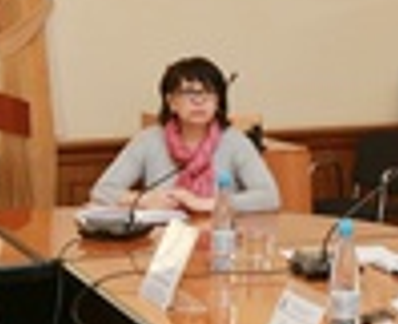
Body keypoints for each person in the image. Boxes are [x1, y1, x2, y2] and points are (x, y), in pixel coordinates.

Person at [91, 55, 279, 213]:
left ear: (218, 102)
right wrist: (144, 199)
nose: (199, 101)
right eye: (189, 93)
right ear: (171, 102)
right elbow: (102, 191)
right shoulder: (148, 140)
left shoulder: (235, 142)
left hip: (219, 235)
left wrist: (206, 204)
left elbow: (269, 197)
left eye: (208, 93)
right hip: (163, 238)